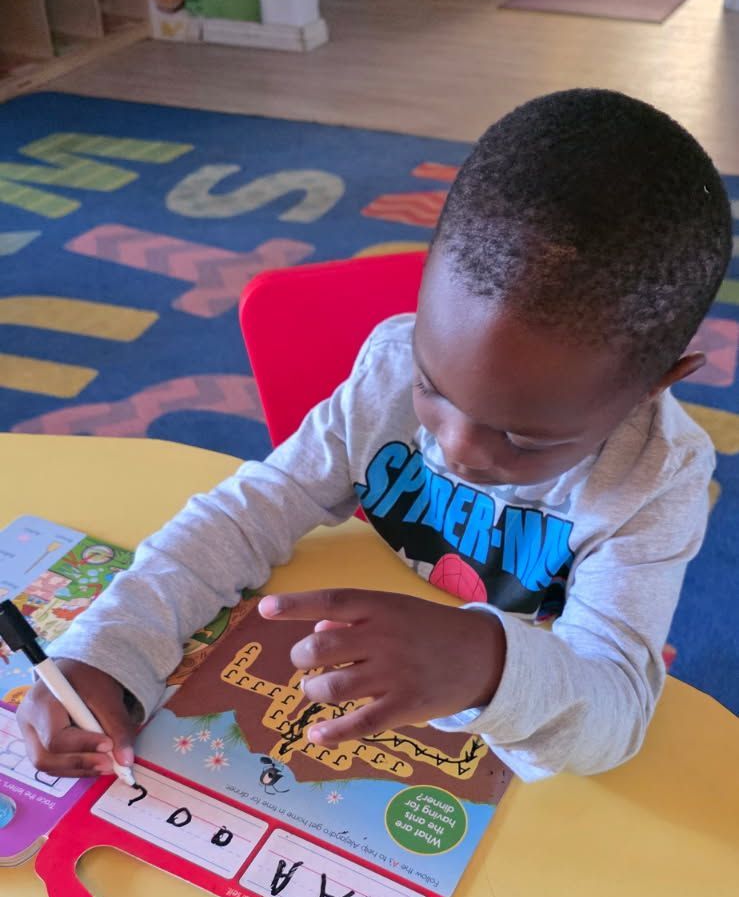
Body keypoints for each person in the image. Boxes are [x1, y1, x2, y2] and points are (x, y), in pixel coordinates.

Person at [18, 90, 731, 784]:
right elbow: (254, 505)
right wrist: (111, 645)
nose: (456, 448)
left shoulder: (654, 476)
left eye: (523, 438)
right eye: (434, 388)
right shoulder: (390, 364)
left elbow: (616, 710)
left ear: (653, 384)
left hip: (532, 705)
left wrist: (491, 663)